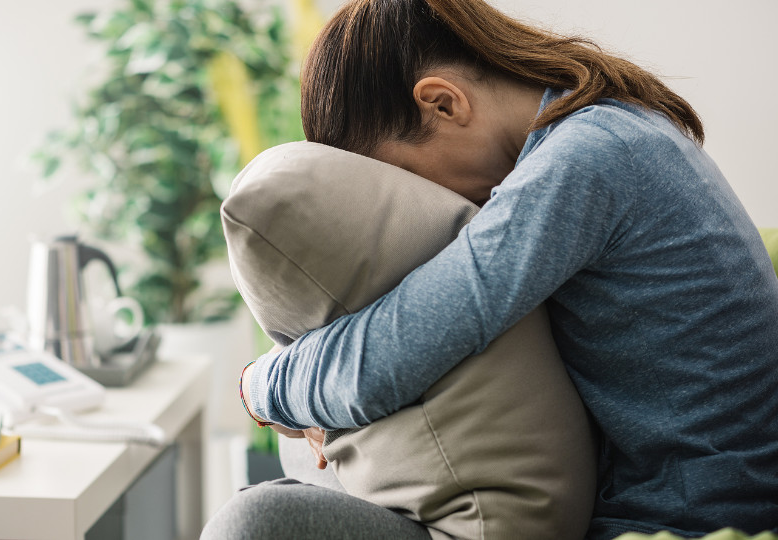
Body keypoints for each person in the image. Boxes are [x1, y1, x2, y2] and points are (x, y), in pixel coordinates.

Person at [205, 0, 778, 539]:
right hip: (658, 506)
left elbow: (388, 358)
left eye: (408, 180)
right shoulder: (621, 128)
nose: (427, 203)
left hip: (677, 525)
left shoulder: (588, 158)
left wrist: (259, 386)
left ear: (443, 103)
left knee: (259, 521)